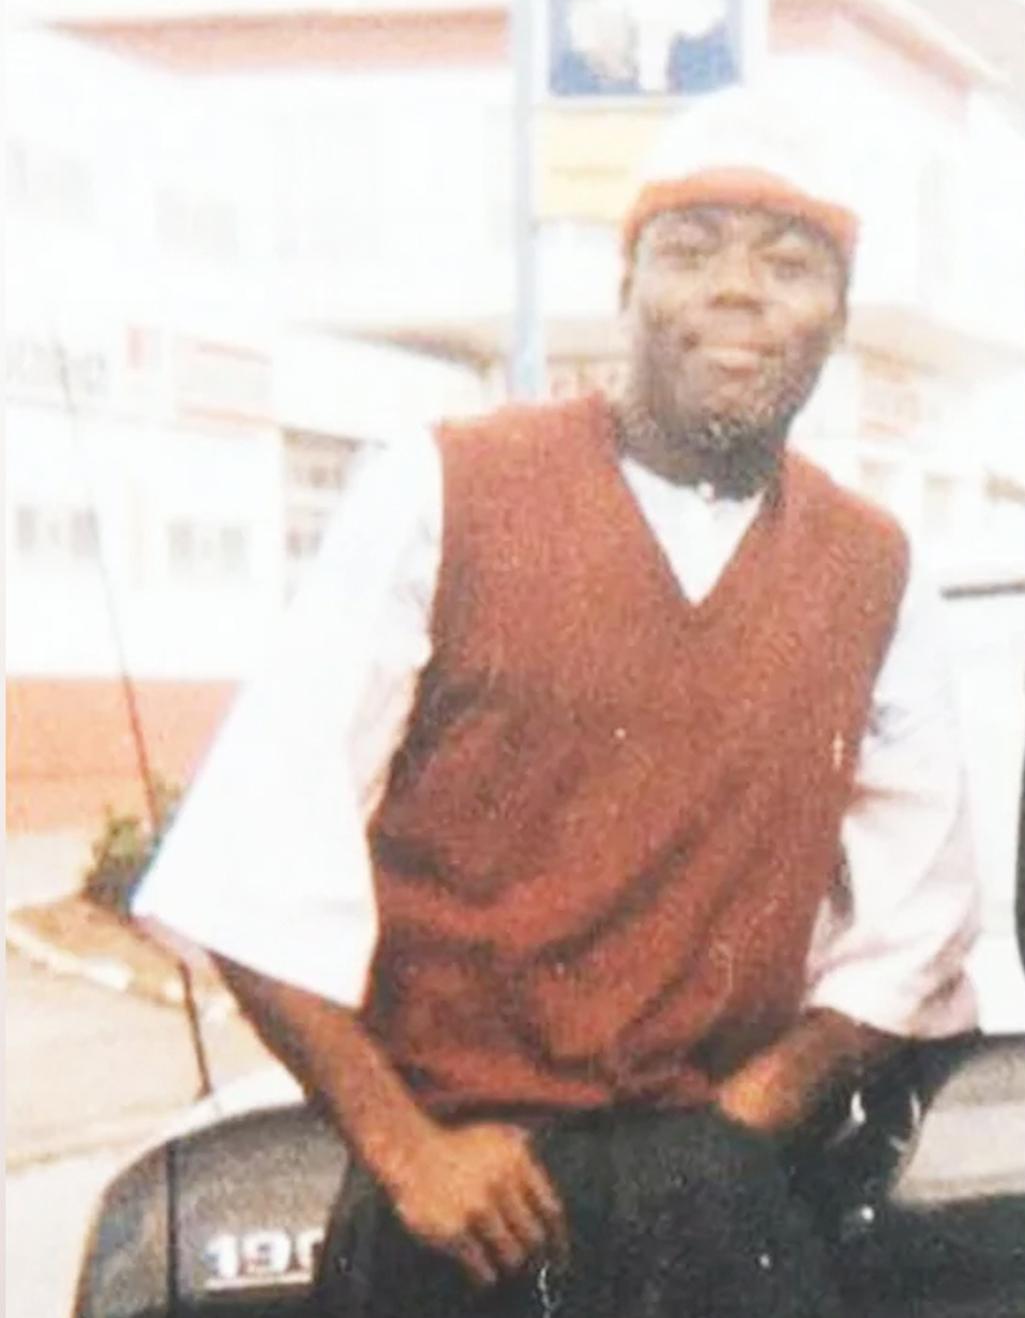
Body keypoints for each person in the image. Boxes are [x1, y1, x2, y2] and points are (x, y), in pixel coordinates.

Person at [133, 89, 980, 1318]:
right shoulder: (444, 488)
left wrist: (741, 1128)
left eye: (790, 264)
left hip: (721, 1207)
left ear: (839, 318)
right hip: (465, 1214)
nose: (738, 291)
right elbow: (251, 860)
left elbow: (920, 914)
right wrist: (408, 1151)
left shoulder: (873, 566)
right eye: (691, 250)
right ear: (625, 289)